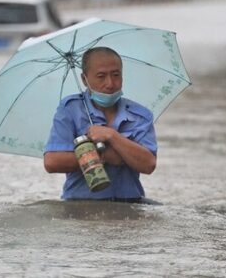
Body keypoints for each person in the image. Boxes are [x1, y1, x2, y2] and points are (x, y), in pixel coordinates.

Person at [44, 47, 157, 202]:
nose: (110, 84)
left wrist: (112, 136)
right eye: (101, 76)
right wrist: (104, 155)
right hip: (81, 205)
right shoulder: (70, 109)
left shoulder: (140, 115)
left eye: (116, 75)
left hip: (130, 204)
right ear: (84, 79)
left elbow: (148, 164)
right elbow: (52, 162)